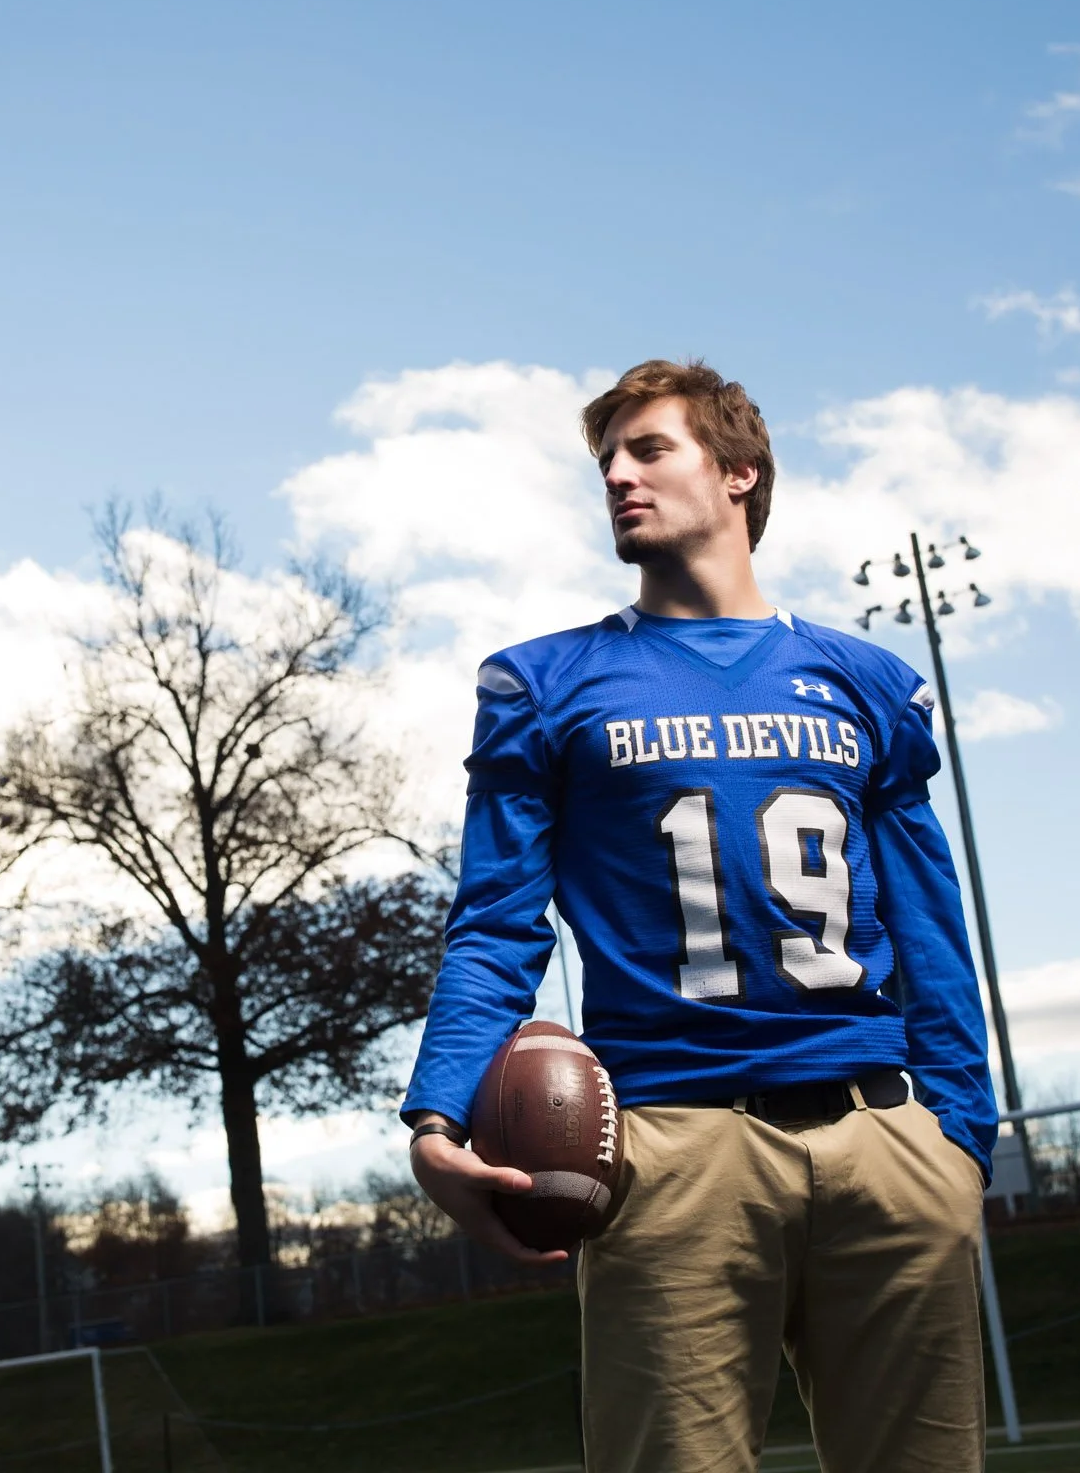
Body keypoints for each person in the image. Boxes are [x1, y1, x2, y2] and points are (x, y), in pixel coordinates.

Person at [403, 359, 997, 1473]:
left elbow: (929, 927)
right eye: (606, 462)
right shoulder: (546, 683)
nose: (618, 477)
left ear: (738, 474)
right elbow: (494, 924)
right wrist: (436, 1118)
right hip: (671, 1145)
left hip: (881, 1138)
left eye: (648, 449)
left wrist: (958, 1134)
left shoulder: (864, 680)